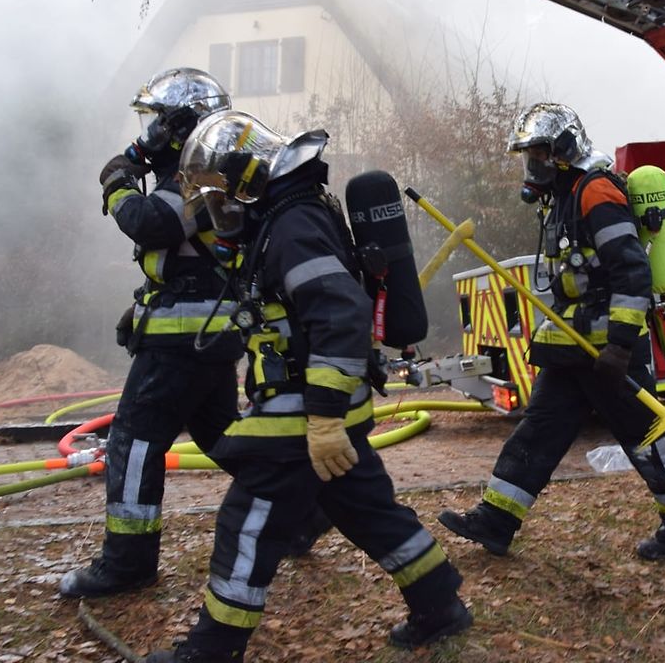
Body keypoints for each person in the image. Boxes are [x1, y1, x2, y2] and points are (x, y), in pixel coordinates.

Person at [142, 111, 469, 662]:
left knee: (245, 529)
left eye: (221, 192)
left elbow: (340, 313)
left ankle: (212, 651)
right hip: (324, 411)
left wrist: (320, 416)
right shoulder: (291, 215)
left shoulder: (292, 226)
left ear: (246, 180)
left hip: (300, 418)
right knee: (370, 512)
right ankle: (440, 604)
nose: (217, 207)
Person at [437, 103, 665, 561]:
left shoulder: (595, 192)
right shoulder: (562, 196)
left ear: (562, 151)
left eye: (538, 155)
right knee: (538, 431)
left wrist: (620, 347)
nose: (531, 166)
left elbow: (632, 271)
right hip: (571, 347)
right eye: (527, 157)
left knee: (646, 438)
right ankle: (497, 520)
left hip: (607, 351)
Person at [61, 68, 251, 599]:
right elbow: (181, 259)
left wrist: (117, 179)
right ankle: (302, 511)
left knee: (133, 443)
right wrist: (146, 307)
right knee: (222, 437)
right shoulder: (209, 171)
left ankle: (128, 563)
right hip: (201, 334)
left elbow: (152, 224)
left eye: (153, 122)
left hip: (184, 342)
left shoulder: (199, 176)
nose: (146, 134)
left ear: (180, 124)